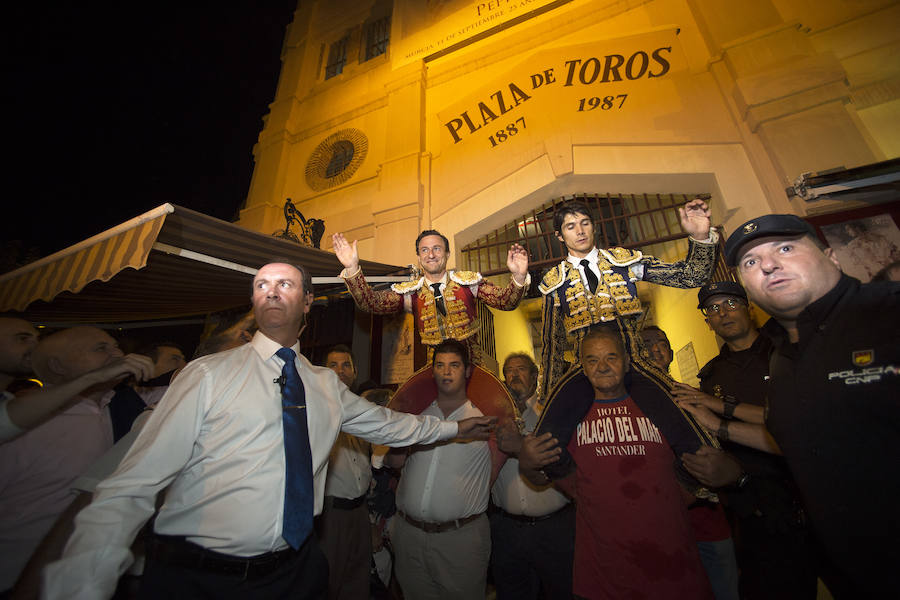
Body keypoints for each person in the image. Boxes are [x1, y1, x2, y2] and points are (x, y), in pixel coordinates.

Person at [42, 262, 496, 600]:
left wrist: (454, 427)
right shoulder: (206, 375)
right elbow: (132, 485)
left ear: (307, 302)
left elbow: (391, 424)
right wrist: (81, 585)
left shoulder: (324, 385)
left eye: (285, 284)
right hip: (199, 577)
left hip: (295, 572)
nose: (271, 291)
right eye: (261, 285)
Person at [723, 213, 900, 597]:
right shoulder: (781, 357)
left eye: (786, 248)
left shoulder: (889, 313)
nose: (768, 265)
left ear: (831, 257)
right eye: (751, 262)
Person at [520, 328, 713, 600]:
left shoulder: (663, 406)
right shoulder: (568, 417)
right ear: (582, 367)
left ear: (628, 360)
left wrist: (667, 505)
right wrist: (526, 463)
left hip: (674, 571)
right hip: (603, 578)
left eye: (611, 357)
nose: (602, 367)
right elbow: (552, 478)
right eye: (592, 360)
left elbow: (703, 468)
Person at [534, 198, 719, 481]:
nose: (580, 231)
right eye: (571, 227)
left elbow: (690, 277)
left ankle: (701, 484)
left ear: (594, 226)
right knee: (546, 436)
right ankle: (575, 485)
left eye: (585, 223)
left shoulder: (624, 262)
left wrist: (701, 237)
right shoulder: (554, 281)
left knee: (686, 425)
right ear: (560, 236)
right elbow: (552, 344)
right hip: (584, 370)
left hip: (636, 363)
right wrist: (548, 395)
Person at [675, 281, 817, 600]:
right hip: (761, 509)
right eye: (713, 309)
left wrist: (721, 411)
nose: (723, 313)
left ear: (749, 308)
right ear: (707, 321)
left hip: (815, 489)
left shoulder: (787, 351)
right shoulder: (711, 378)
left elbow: (800, 423)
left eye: (730, 303)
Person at [0, 327, 154, 595]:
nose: (117, 354)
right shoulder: (28, 423)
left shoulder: (120, 409)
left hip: (78, 579)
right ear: (57, 366)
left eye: (116, 346)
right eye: (101, 348)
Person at [388, 339, 493, 600]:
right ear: (432, 371)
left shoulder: (485, 418)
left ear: (467, 371)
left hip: (460, 540)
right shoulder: (418, 416)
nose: (446, 372)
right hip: (409, 536)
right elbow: (394, 463)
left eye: (454, 365)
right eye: (440, 365)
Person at [639, 326, 738, 600]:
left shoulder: (696, 397)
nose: (655, 349)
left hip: (708, 522)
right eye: (646, 344)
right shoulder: (633, 407)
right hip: (662, 525)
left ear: (671, 353)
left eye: (661, 343)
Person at [332, 229, 529, 364]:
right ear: (419, 258)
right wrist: (352, 268)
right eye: (424, 250)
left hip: (473, 368)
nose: (431, 254)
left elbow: (506, 301)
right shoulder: (410, 293)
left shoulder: (468, 283)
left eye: (437, 248)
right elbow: (371, 303)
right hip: (436, 373)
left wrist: (519, 277)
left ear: (447, 253)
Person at [490, 353, 574, 600]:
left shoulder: (552, 410)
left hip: (554, 528)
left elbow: (558, 456)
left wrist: (520, 444)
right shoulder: (494, 416)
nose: (514, 375)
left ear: (535, 376)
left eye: (521, 369)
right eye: (509, 370)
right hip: (506, 529)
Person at [317, 345, 374, 600]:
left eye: (346, 365)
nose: (341, 371)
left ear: (355, 372)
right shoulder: (317, 408)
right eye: (333, 365)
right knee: (328, 583)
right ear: (322, 371)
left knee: (358, 583)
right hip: (331, 516)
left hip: (360, 511)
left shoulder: (363, 410)